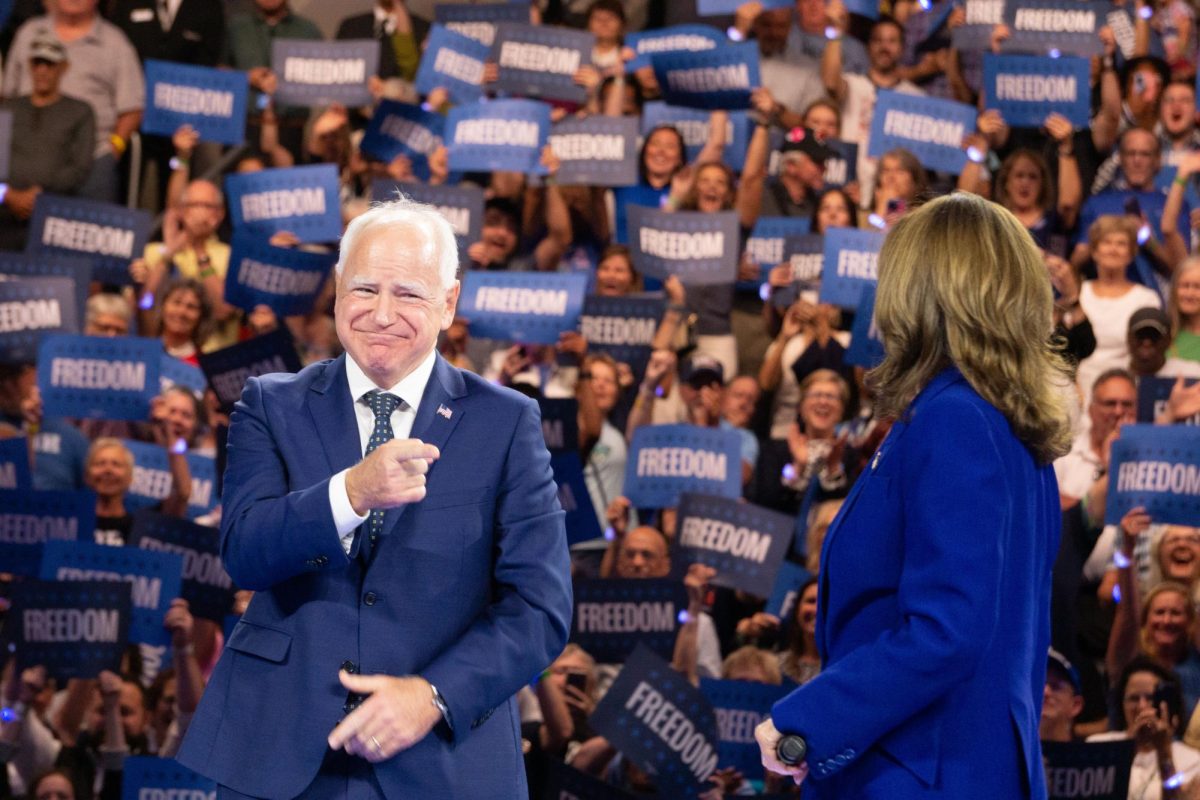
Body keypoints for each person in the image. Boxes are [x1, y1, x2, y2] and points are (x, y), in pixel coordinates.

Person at [176, 199, 573, 799]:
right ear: (337, 290)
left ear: (449, 303)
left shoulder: (506, 422)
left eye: (409, 294)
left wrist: (432, 695)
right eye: (364, 288)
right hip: (281, 754)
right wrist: (350, 493)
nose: (381, 314)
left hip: (442, 760)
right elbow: (245, 552)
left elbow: (540, 608)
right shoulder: (269, 404)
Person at [755, 193, 1072, 796]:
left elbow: (947, 629)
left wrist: (813, 719)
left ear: (927, 291)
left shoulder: (954, 419)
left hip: (922, 768)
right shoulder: (1008, 428)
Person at [0, 34, 94, 251]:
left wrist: (40, 193)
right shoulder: (8, 109)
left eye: (50, 64)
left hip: (55, 212)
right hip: (4, 209)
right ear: (29, 66)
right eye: (37, 63)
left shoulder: (80, 112)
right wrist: (7, 194)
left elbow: (79, 168)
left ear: (64, 67)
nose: (42, 70)